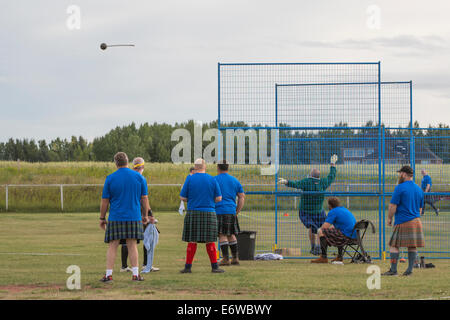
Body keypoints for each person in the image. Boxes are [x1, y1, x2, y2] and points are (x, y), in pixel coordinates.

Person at [99, 152, 149, 282]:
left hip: (116, 217)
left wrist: (102, 218)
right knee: (132, 245)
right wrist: (145, 215)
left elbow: (105, 200)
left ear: (116, 163)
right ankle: (135, 274)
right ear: (128, 162)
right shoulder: (139, 177)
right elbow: (144, 199)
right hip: (134, 216)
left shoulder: (110, 178)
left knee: (113, 245)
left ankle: (109, 275)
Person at [278, 154, 338, 255]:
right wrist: (332, 164)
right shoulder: (323, 182)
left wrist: (286, 182)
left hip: (306, 211)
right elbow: (331, 176)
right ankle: (319, 248)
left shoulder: (307, 182)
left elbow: (296, 184)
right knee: (321, 229)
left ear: (310, 175)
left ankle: (313, 247)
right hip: (319, 211)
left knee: (311, 228)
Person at [179, 158, 224, 273]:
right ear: (205, 167)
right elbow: (219, 198)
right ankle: (214, 267)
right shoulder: (212, 179)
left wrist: (193, 199)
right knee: (210, 241)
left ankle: (188, 267)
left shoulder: (189, 179)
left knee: (192, 240)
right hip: (209, 212)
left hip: (193, 212)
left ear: (195, 167)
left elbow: (182, 197)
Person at [383, 165, 425, 277]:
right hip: (416, 221)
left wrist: (389, 218)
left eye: (399, 173)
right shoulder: (419, 189)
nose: (399, 175)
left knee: (394, 245)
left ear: (403, 174)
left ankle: (393, 270)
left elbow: (392, 206)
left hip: (403, 221)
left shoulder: (400, 187)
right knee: (412, 246)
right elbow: (420, 209)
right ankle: (409, 271)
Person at [120, 157, 159, 273]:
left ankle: (124, 266)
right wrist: (149, 214)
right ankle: (146, 264)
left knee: (127, 238)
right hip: (139, 213)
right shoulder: (141, 178)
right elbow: (144, 199)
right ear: (142, 167)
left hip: (126, 212)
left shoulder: (127, 178)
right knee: (148, 237)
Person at [214, 160, 245, 266]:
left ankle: (226, 259)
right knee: (231, 234)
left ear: (218, 168)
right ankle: (235, 258)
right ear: (227, 168)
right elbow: (241, 197)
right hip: (231, 211)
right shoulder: (234, 180)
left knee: (222, 234)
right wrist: (237, 211)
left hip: (219, 210)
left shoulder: (214, 180)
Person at [311, 197, 357, 263]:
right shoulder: (344, 209)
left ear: (329, 205)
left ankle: (323, 257)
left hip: (346, 237)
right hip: (355, 237)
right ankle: (339, 256)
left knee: (320, 231)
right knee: (336, 231)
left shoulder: (333, 211)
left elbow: (324, 227)